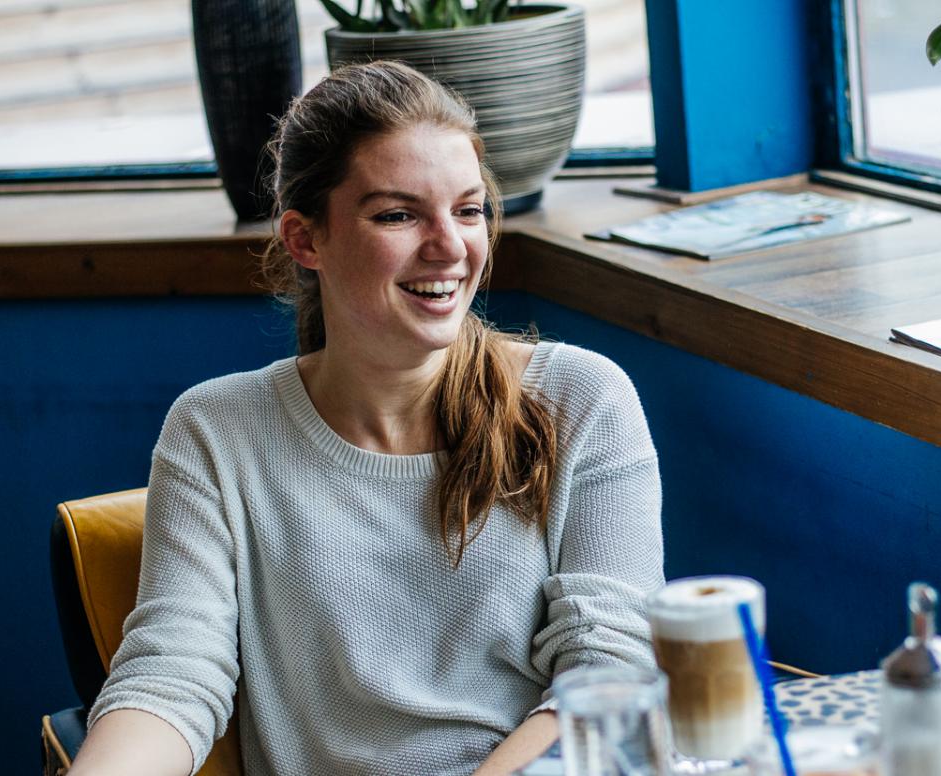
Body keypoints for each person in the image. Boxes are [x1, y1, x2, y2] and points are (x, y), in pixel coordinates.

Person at [68, 61, 664, 776]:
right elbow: (172, 679)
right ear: (305, 239)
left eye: (468, 210)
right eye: (398, 215)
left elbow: (609, 672)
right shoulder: (216, 431)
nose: (451, 247)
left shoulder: (582, 400)